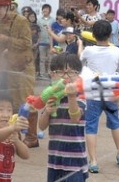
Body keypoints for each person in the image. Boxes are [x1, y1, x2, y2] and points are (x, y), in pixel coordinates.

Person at [78, 20, 119, 173]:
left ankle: (93, 161)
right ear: (110, 35)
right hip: (111, 93)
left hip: (93, 94)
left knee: (91, 126)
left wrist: (80, 46)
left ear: (93, 35)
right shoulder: (116, 51)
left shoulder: (89, 50)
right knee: (115, 123)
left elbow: (80, 61)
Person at [0, 0, 38, 148]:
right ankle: (16, 134)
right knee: (15, 103)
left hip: (24, 67)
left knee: (27, 101)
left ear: (8, 7)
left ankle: (32, 136)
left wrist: (7, 39)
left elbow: (27, 43)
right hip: (10, 66)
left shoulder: (21, 21)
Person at [38, 53, 88, 181]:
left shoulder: (80, 96)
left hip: (75, 159)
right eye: (60, 72)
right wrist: (47, 112)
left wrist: (71, 97)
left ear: (78, 75)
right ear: (53, 74)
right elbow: (42, 126)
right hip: (55, 158)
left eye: (71, 72)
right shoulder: (52, 95)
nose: (66, 77)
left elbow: (75, 118)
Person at [37, 4, 55, 78]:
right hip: (42, 42)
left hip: (50, 42)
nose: (45, 10)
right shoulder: (39, 20)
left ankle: (49, 73)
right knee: (42, 59)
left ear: (50, 11)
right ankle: (42, 73)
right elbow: (38, 31)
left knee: (50, 59)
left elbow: (54, 32)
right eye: (43, 9)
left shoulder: (53, 20)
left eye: (46, 9)